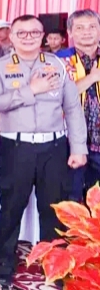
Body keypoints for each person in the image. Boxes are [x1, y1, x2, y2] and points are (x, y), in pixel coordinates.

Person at [0, 15, 87, 288]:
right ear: (11, 36)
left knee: (53, 208)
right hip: (16, 148)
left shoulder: (58, 65)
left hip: (54, 148)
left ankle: (54, 265)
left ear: (42, 35)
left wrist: (78, 148)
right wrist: (31, 90)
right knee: (11, 206)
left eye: (34, 32)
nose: (28, 37)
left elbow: (72, 108)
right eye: (22, 32)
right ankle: (5, 262)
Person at [63, 10, 100, 202]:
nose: (87, 32)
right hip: (70, 144)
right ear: (70, 32)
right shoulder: (59, 60)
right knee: (73, 201)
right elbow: (58, 96)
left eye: (92, 26)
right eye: (80, 27)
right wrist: (92, 78)